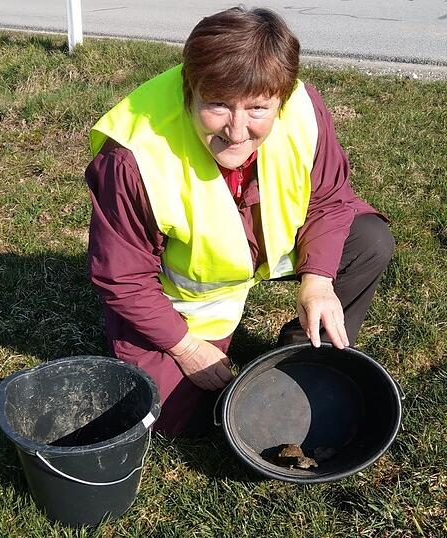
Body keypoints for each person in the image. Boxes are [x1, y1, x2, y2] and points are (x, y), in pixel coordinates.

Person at [85, 7, 394, 436]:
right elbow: (123, 278)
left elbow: (328, 197)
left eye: (257, 109)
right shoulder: (132, 156)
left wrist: (318, 280)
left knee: (368, 239)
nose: (236, 130)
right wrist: (188, 348)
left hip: (266, 245)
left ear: (280, 99)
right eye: (216, 105)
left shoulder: (303, 108)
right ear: (189, 89)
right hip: (185, 291)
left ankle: (305, 355)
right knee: (171, 417)